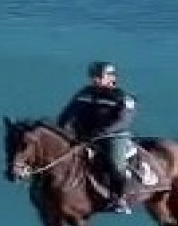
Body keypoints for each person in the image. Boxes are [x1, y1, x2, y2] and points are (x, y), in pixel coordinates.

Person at [56, 61, 137, 214]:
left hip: (113, 137)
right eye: (93, 77)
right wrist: (62, 129)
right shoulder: (84, 93)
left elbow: (122, 121)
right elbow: (67, 113)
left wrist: (99, 134)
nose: (95, 80)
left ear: (111, 78)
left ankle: (120, 198)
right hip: (84, 136)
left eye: (99, 76)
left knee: (116, 164)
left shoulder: (124, 98)